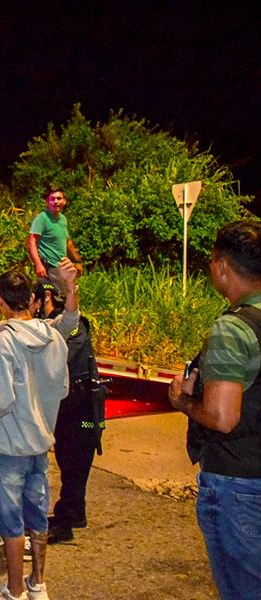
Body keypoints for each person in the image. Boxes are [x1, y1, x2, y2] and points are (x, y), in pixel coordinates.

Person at [0, 269, 69, 600]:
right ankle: (38, 584)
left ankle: (14, 591)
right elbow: (61, 389)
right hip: (40, 445)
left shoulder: (2, 343)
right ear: (34, 301)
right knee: (38, 517)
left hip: (9, 448)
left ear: (2, 303)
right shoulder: (55, 338)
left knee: (9, 524)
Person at [168, 220, 261, 599]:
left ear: (222, 266)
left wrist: (183, 401)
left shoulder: (232, 329)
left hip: (236, 483)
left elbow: (223, 418)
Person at [32, 280, 106, 545]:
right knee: (68, 458)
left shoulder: (73, 325)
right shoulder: (50, 323)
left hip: (84, 411)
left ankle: (65, 522)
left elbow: (61, 357)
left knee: (75, 460)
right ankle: (74, 512)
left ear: (46, 296)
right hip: (71, 405)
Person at [26, 189, 83, 292]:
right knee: (57, 297)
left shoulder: (63, 219)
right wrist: (38, 264)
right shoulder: (42, 218)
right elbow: (31, 242)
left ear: (64, 201)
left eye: (59, 198)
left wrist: (77, 261)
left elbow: (67, 242)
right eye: (52, 199)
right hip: (49, 266)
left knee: (67, 295)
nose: (56, 201)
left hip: (63, 265)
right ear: (47, 202)